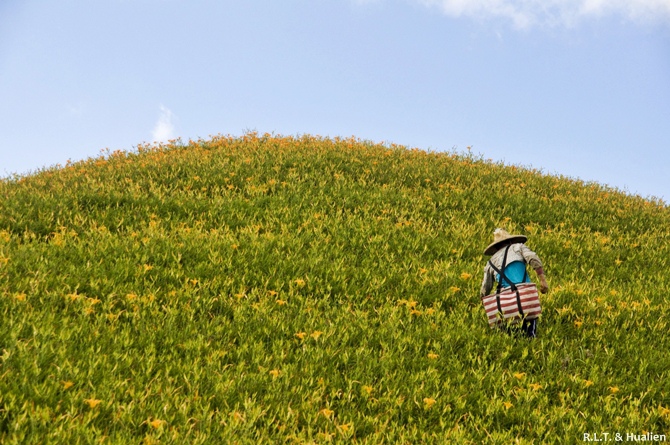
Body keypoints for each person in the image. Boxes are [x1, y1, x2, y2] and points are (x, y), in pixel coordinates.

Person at [480, 228, 548, 338]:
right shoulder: (518, 247)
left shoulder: (491, 262)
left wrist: (482, 299)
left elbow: (486, 287)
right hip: (526, 296)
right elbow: (533, 259)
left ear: (496, 247)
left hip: (506, 304)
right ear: (511, 241)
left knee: (511, 335)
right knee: (530, 334)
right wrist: (542, 280)